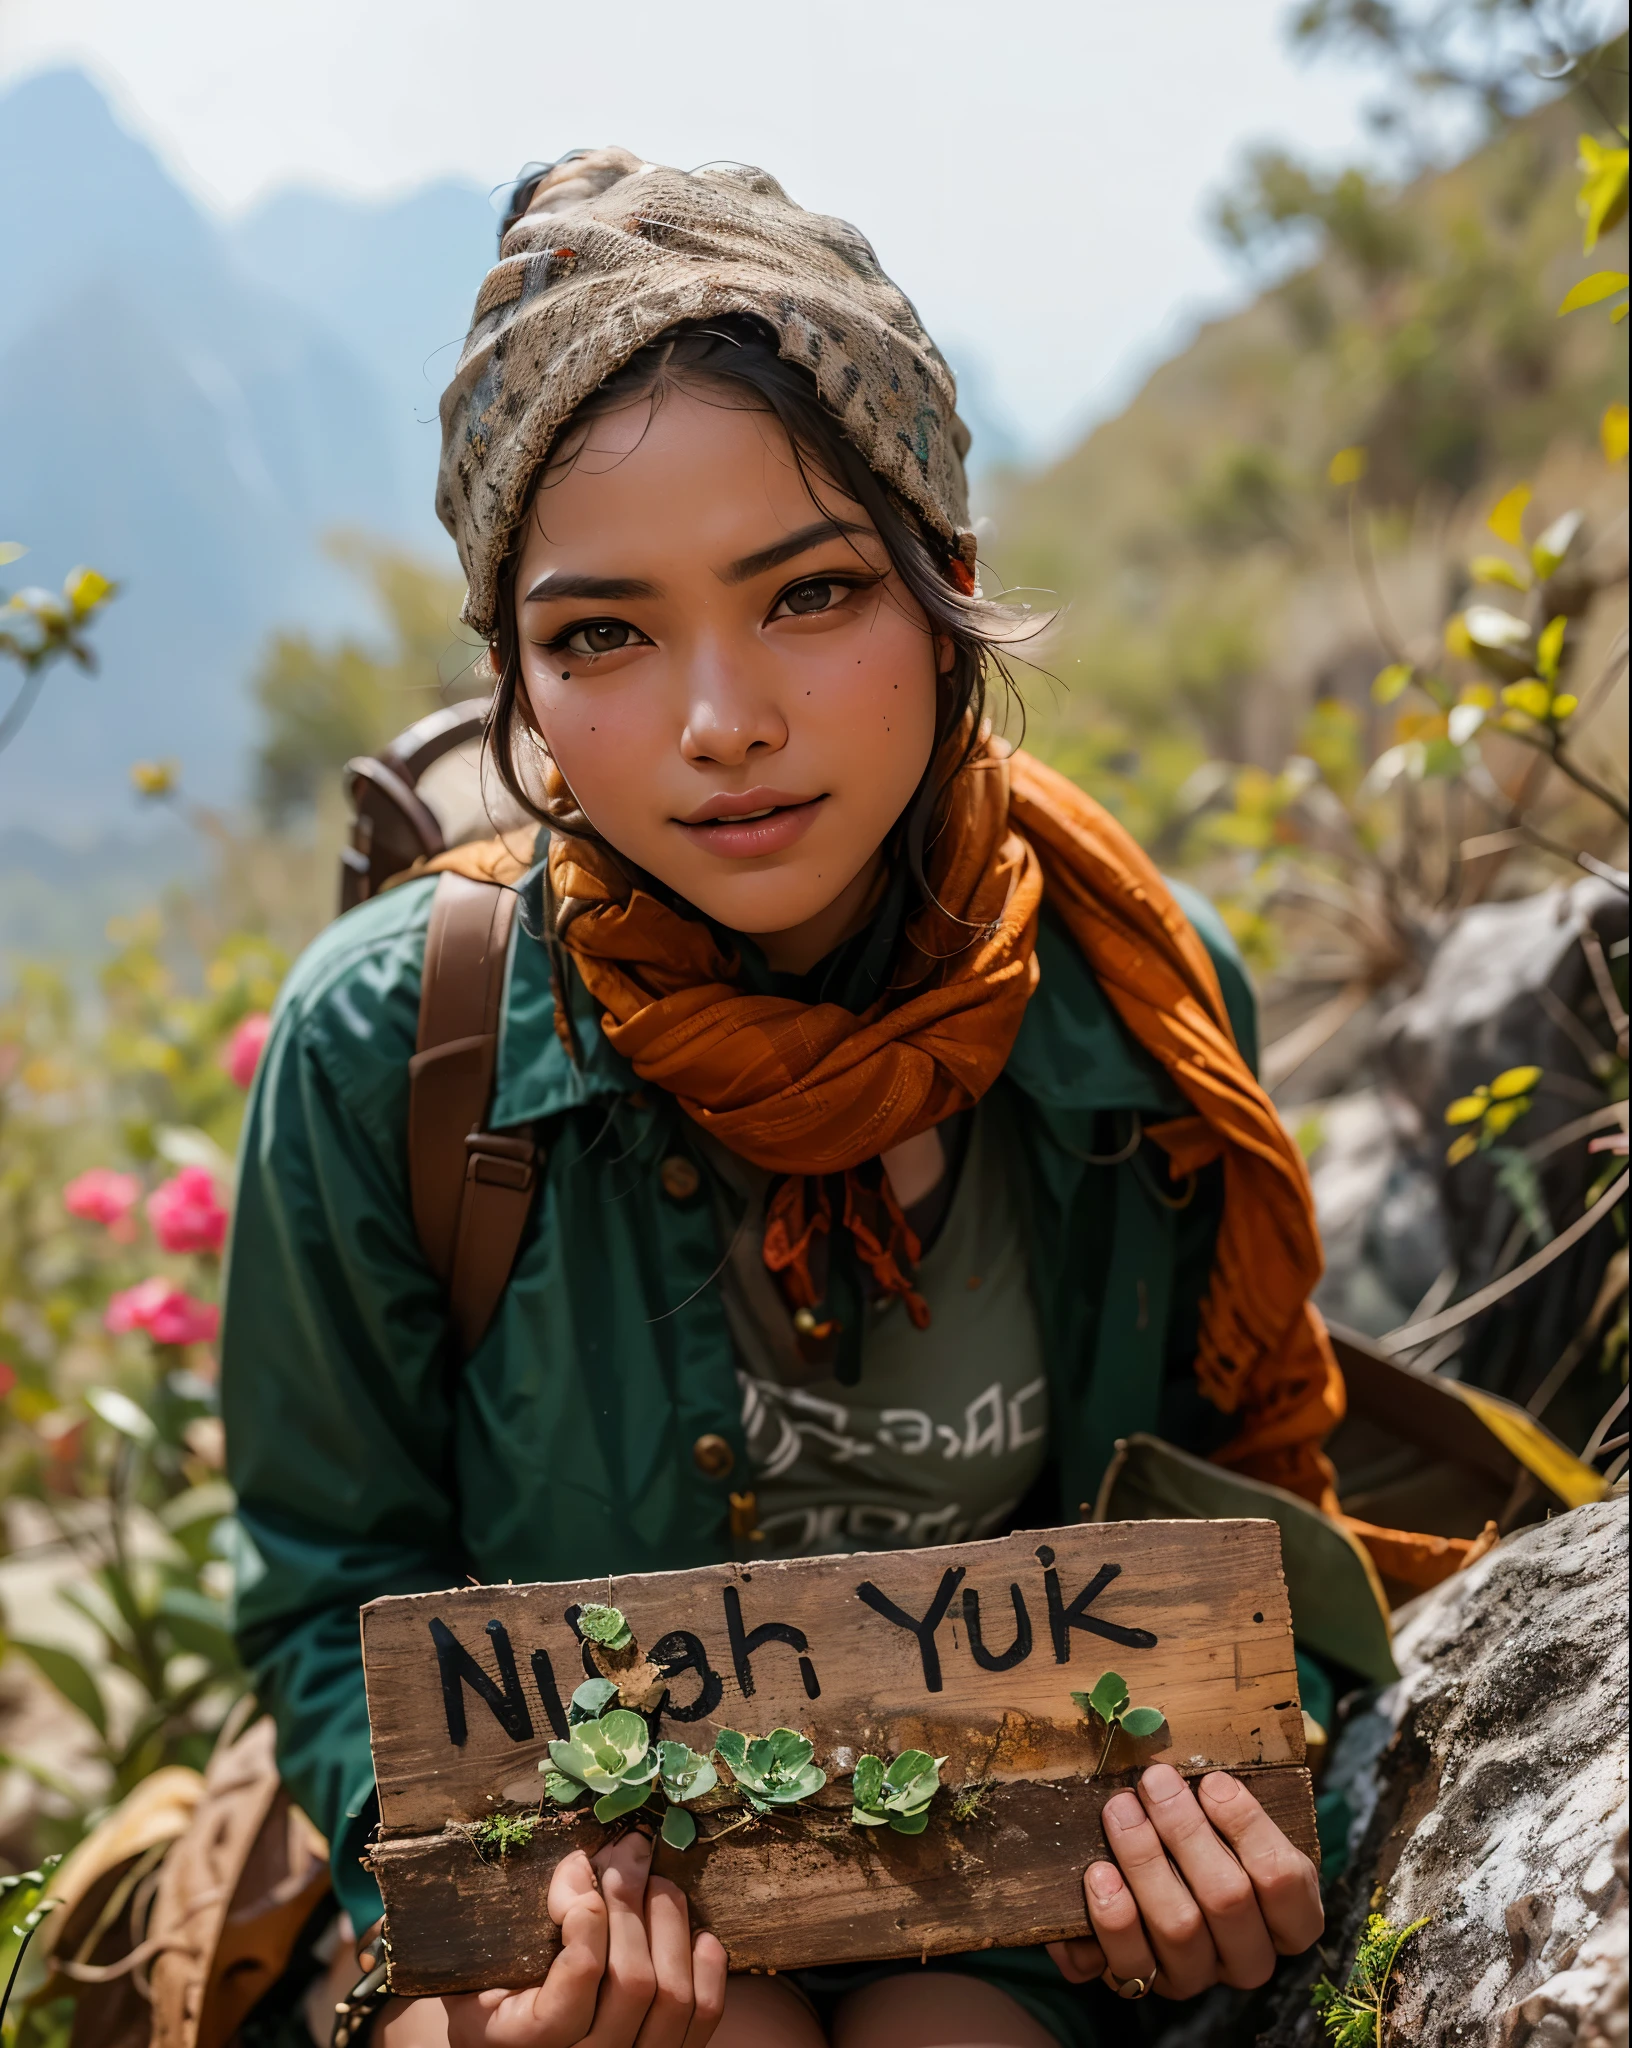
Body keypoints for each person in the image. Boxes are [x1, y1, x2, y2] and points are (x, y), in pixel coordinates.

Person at [222, 147, 1334, 2048]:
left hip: (1007, 1912)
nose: (719, 718)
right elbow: (336, 1585)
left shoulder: (1140, 1017)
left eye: (811, 593)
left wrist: (1216, 1831)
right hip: (599, 1916)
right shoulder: (388, 1048)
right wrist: (504, 1920)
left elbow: (1242, 1527)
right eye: (603, 636)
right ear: (514, 673)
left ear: (950, 584)